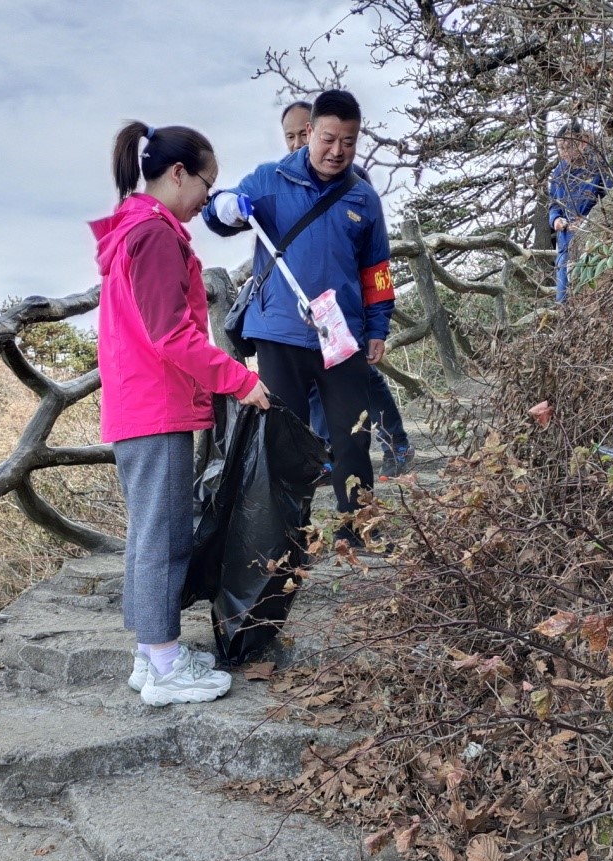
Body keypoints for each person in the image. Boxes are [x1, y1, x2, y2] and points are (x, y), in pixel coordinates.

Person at [92, 121, 270, 707]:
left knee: (151, 533)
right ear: (177, 174)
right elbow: (173, 336)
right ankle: (165, 666)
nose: (206, 200)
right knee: (163, 535)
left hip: (135, 400)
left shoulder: (132, 230)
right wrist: (241, 379)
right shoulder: (156, 236)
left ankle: (152, 655)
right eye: (205, 184)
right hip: (155, 404)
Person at [204, 89, 394, 543]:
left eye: (349, 142)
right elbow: (216, 213)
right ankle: (286, 537)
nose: (337, 151)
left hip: (341, 337)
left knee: (353, 438)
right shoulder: (269, 180)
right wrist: (225, 207)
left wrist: (378, 328)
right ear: (309, 132)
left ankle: (358, 531)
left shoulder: (363, 198)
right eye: (329, 139)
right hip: (279, 333)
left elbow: (378, 272)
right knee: (285, 441)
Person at [279, 101, 415, 479]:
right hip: (306, 318)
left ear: (312, 131)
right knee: (316, 387)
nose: (294, 144)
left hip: (346, 312)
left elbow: (373, 262)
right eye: (288, 137)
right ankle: (329, 455)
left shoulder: (356, 184)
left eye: (300, 134)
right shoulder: (285, 183)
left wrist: (376, 325)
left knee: (364, 379)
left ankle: (396, 444)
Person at [549, 123, 613, 303]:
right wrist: (555, 219)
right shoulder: (559, 172)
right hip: (565, 241)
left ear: (583, 142)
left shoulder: (599, 165)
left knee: (589, 295)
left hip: (593, 240)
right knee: (563, 298)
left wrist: (589, 220)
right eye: (561, 148)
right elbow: (553, 205)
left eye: (569, 147)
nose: (564, 153)